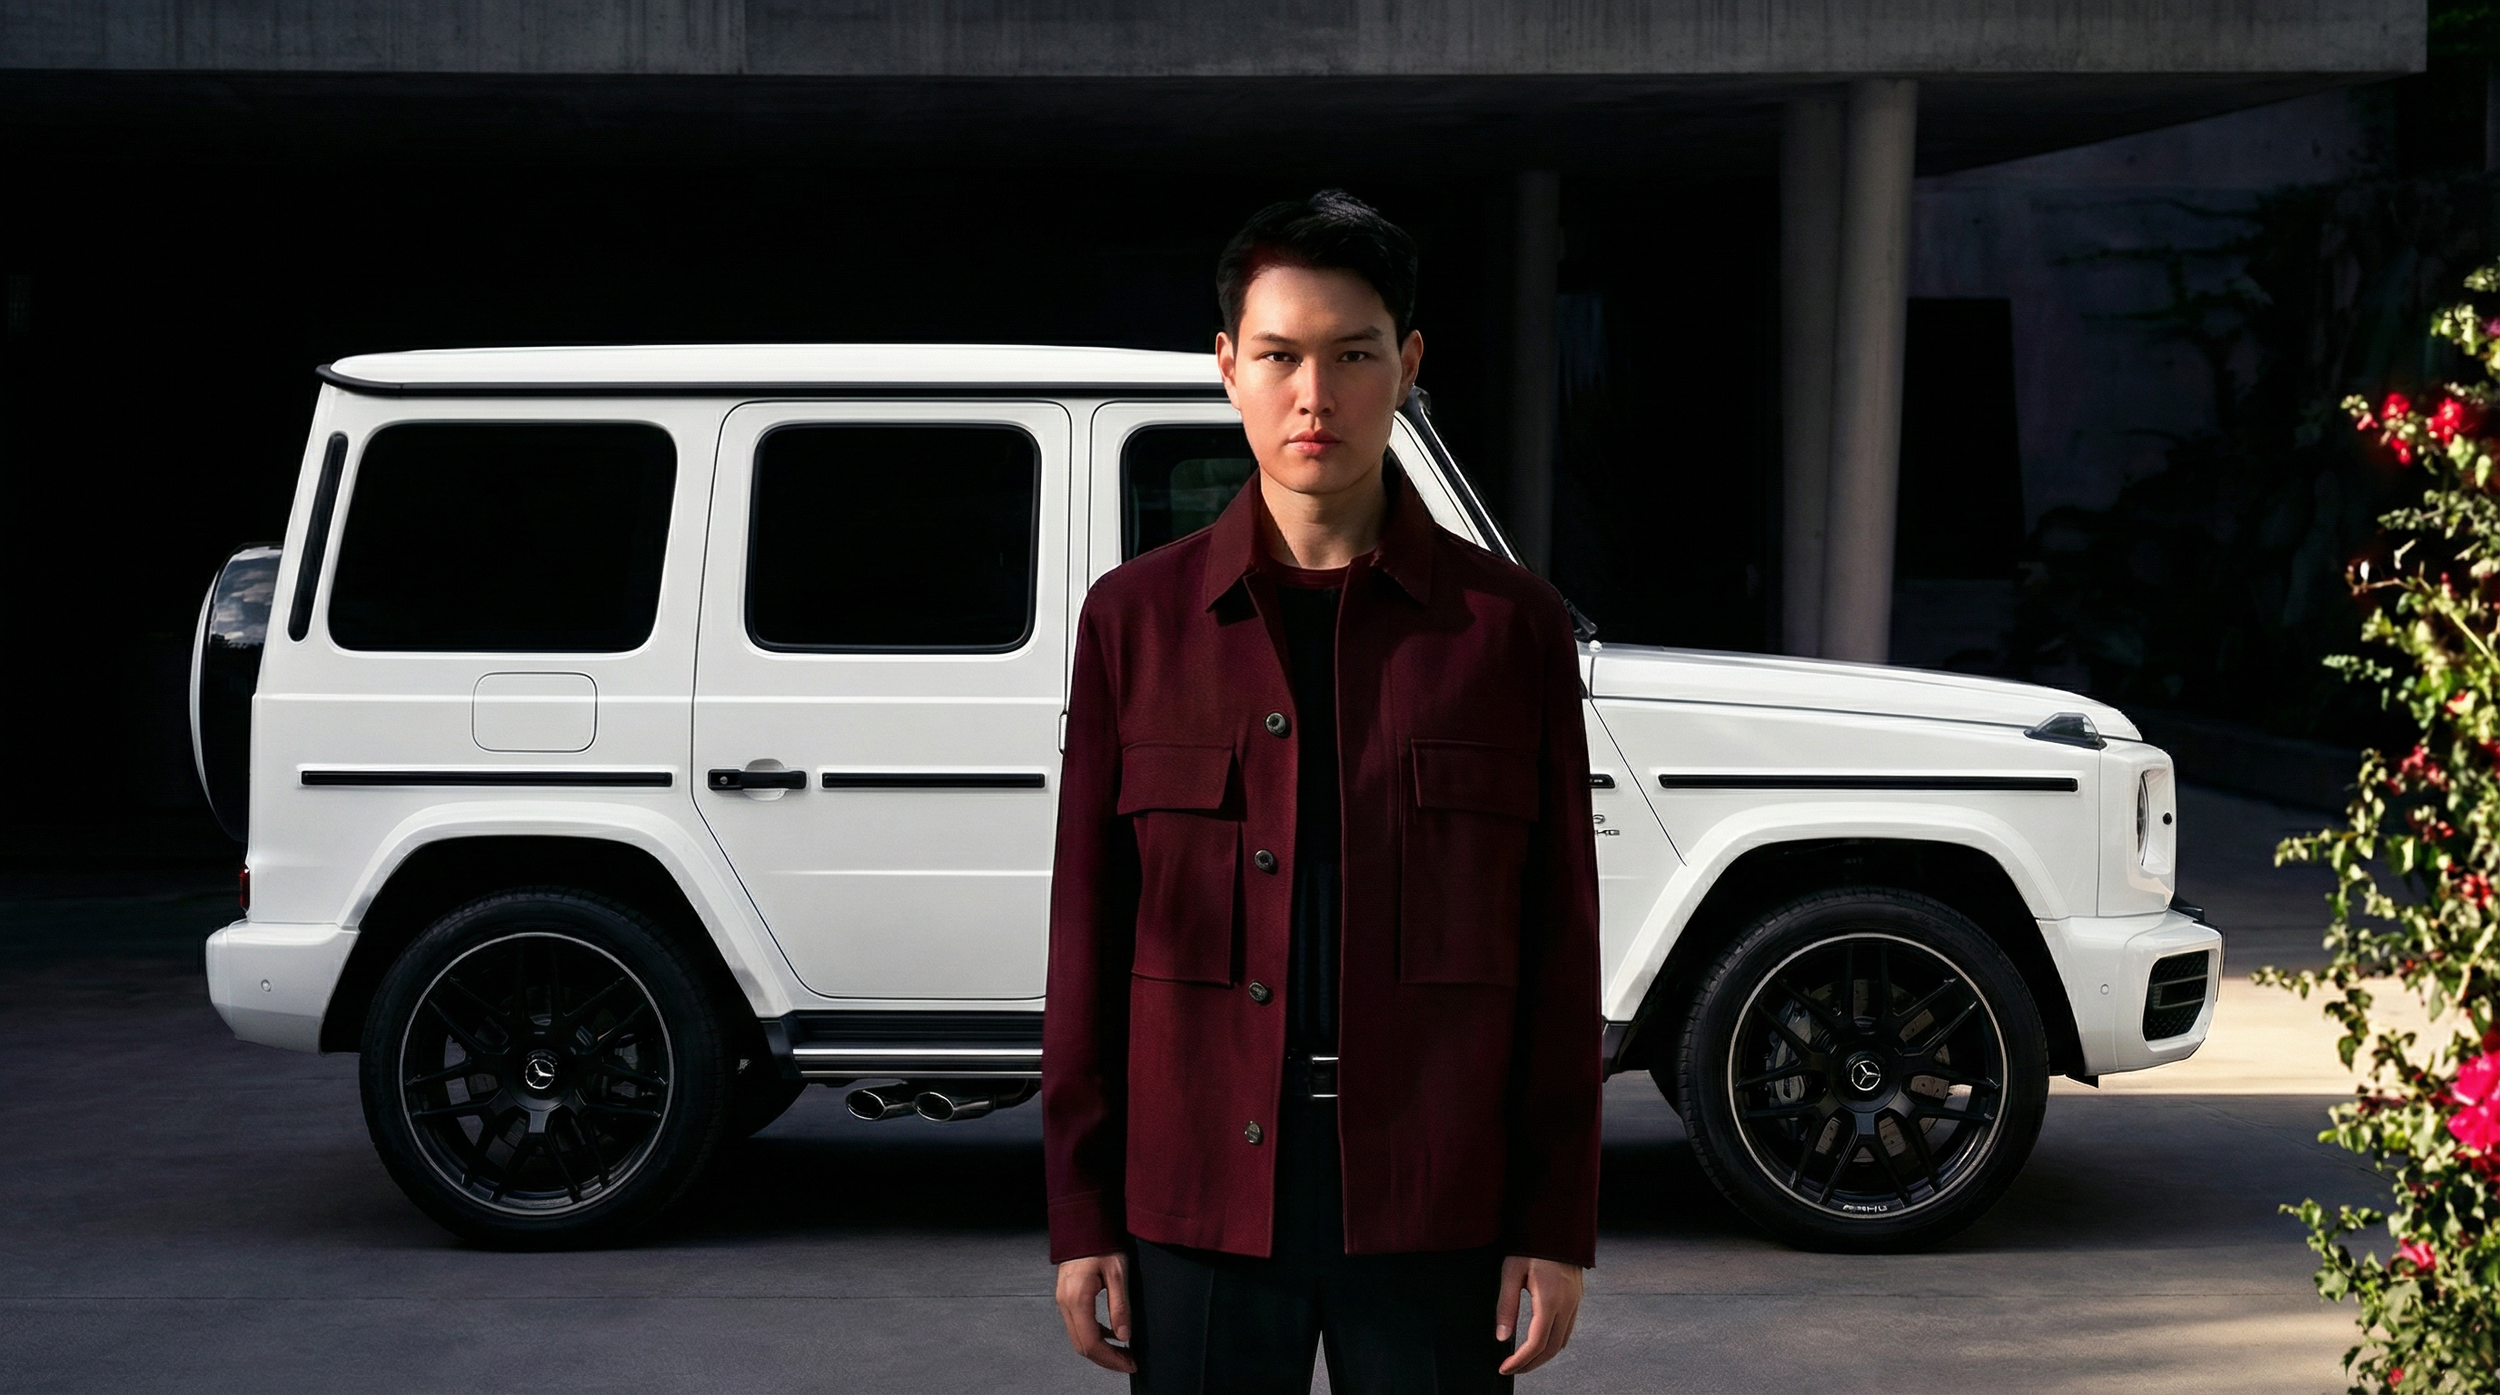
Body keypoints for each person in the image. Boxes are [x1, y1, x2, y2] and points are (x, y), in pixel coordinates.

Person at [1044, 189, 1602, 1393]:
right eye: (1281, 356)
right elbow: (1086, 939)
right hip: (1194, 1190)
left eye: (1352, 356)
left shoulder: (1507, 630)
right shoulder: (1134, 623)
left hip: (1432, 1193)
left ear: (1405, 366)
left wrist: (1552, 1225)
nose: (1316, 395)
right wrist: (1083, 1213)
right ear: (1228, 368)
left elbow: (1559, 951)